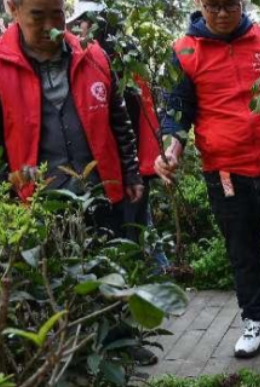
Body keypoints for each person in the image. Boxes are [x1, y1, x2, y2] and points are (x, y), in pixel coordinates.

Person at [155, 0, 260, 360]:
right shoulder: (184, 51)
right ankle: (256, 321)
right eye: (213, 6)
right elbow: (177, 109)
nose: (221, 14)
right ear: (199, 4)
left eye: (229, 5)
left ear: (243, 3)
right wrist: (172, 148)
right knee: (242, 252)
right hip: (226, 173)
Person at [0, 0, 144, 237]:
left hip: (103, 196)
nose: (50, 27)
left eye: (57, 15)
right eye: (38, 16)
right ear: (13, 9)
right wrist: (5, 204)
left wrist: (131, 172)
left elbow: (118, 119)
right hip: (38, 207)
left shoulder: (93, 55)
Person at [68, 1, 169, 270]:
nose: (79, 29)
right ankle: (160, 270)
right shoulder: (125, 49)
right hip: (140, 158)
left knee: (131, 230)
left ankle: (152, 277)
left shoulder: (111, 57)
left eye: (82, 22)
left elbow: (126, 118)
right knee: (141, 223)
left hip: (132, 162)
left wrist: (128, 167)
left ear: (98, 21)